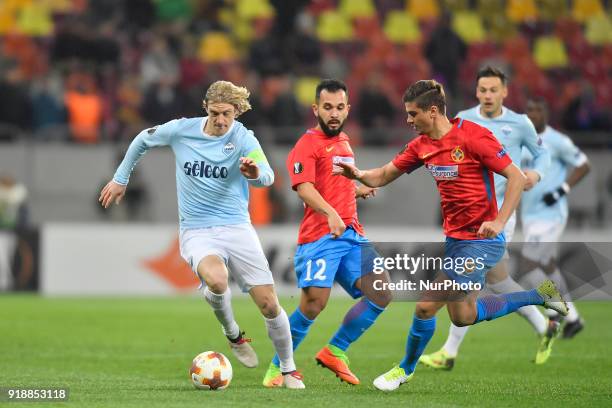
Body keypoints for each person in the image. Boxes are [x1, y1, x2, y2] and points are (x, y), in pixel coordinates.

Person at [333, 79, 567, 391]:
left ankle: (403, 370)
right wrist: (359, 175)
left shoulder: (473, 137)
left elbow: (515, 177)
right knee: (464, 316)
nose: (408, 120)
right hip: (456, 242)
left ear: (433, 111)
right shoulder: (421, 146)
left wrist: (499, 221)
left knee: (425, 306)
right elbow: (386, 174)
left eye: (412, 114)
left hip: (484, 241)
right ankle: (541, 295)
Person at [98, 80, 305, 389]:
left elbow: (269, 176)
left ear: (237, 112)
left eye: (228, 114)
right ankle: (233, 334)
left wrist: (254, 174)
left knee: (269, 305)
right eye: (216, 113)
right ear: (206, 108)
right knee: (218, 280)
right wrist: (120, 178)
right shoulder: (182, 130)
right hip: (197, 230)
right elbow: (142, 139)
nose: (222, 121)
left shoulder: (244, 138)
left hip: (237, 228)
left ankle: (288, 370)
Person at [420, 66, 558, 369]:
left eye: (493, 90)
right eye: (482, 90)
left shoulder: (520, 123)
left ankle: (448, 352)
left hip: (497, 216)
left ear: (504, 92)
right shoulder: (464, 120)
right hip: (467, 217)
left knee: (469, 282)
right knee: (492, 282)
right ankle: (543, 317)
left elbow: (543, 155)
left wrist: (534, 172)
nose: (487, 95)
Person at [262, 79, 389, 388]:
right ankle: (277, 368)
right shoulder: (306, 145)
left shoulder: (345, 141)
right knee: (313, 304)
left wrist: (355, 192)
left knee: (381, 293)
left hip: (350, 235)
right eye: (328, 107)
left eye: (339, 108)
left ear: (348, 109)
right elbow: (304, 188)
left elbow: (333, 183)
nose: (334, 114)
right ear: (316, 109)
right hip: (320, 236)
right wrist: (331, 212)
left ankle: (335, 350)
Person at [520, 97, 590, 338]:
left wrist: (562, 190)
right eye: (530, 110)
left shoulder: (558, 141)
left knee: (529, 264)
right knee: (547, 265)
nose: (533, 114)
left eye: (538, 110)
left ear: (546, 113)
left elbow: (583, 165)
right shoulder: (523, 142)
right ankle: (574, 319)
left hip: (551, 214)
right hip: (529, 214)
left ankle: (558, 312)